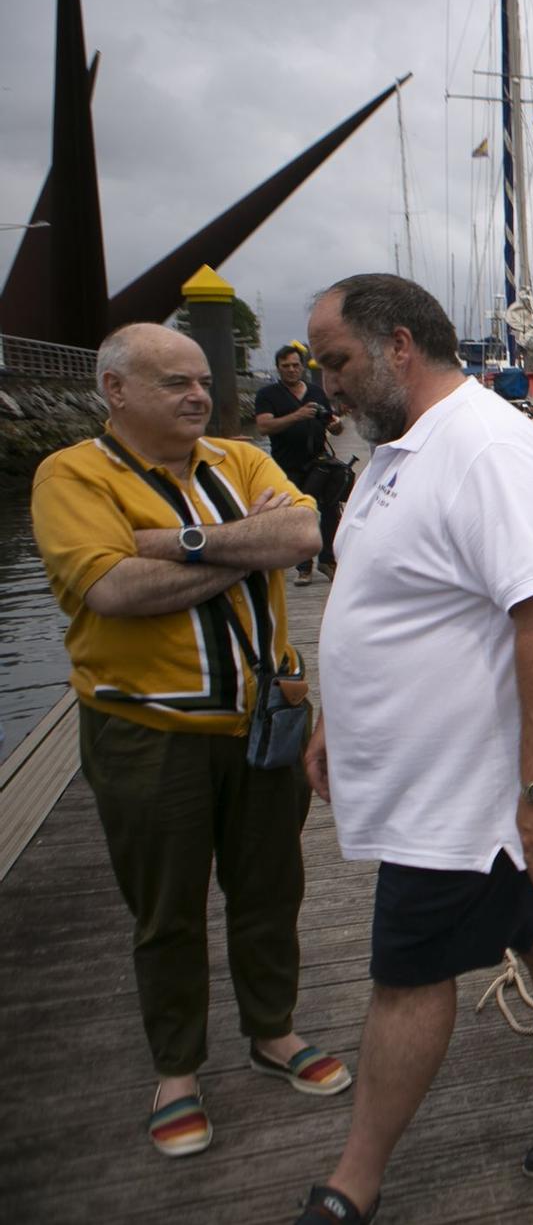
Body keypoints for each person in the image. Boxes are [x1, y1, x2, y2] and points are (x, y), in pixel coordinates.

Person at [293, 274, 533, 1224]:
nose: (323, 382)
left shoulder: (488, 449)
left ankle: (354, 1181)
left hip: (468, 795)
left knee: (408, 974)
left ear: (401, 345)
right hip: (445, 780)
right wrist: (338, 712)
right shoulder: (399, 451)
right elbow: (380, 595)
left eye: (336, 361)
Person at [30, 324, 351, 1160]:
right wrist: (248, 550)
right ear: (117, 390)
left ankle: (272, 1031)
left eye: (203, 380)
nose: (199, 396)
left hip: (264, 720)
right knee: (166, 908)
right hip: (149, 732)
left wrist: (179, 544)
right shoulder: (71, 476)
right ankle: (176, 1068)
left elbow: (305, 534)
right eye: (174, 382)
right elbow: (112, 589)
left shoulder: (237, 460)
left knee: (271, 885)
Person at [253, 343, 344, 583]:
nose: (292, 370)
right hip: (287, 465)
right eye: (286, 366)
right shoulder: (267, 395)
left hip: (320, 462)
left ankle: (327, 560)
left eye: (295, 365)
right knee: (299, 514)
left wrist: (336, 426)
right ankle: (303, 566)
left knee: (330, 510)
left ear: (303, 366)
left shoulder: (316, 392)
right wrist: (297, 416)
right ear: (278, 368)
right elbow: (263, 426)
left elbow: (331, 422)